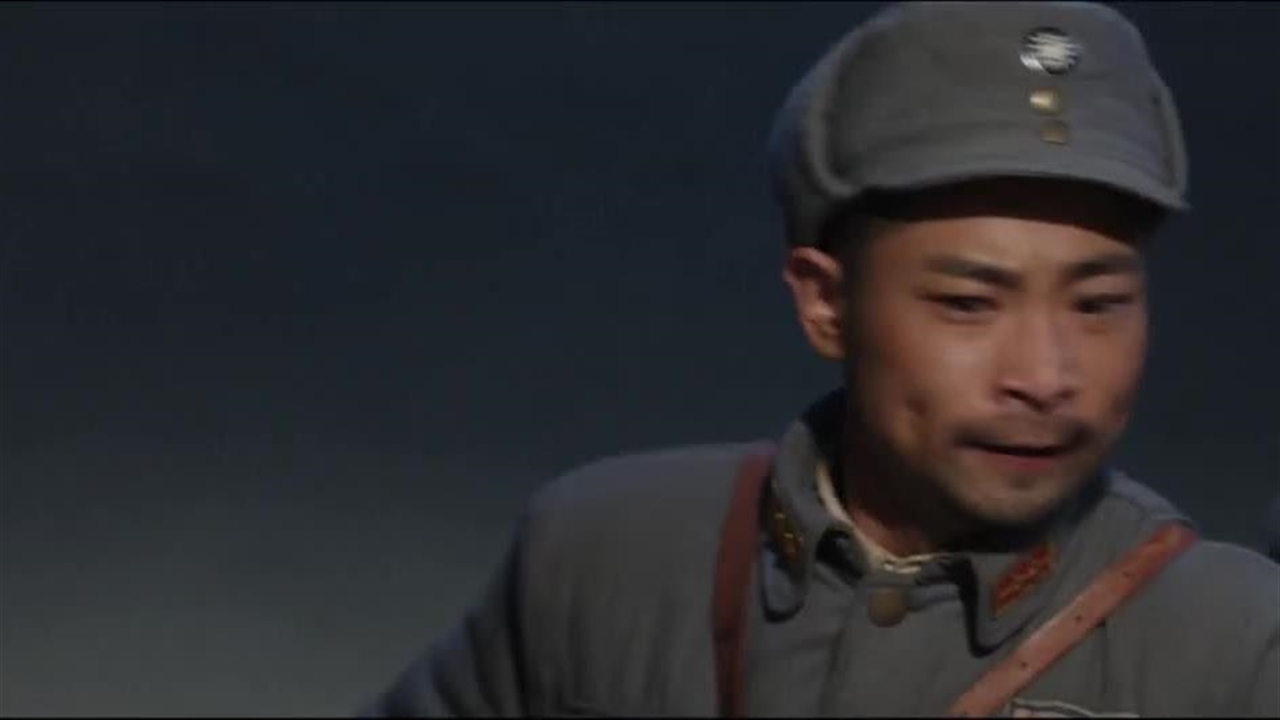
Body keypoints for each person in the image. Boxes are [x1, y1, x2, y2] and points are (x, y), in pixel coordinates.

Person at [362, 2, 1280, 716]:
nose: (1045, 376)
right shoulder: (605, 556)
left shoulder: (1236, 645)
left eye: (1099, 305)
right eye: (968, 303)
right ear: (824, 303)